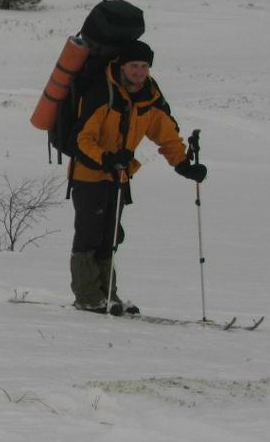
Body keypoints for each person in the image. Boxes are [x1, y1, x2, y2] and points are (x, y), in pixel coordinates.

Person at [68, 40, 208, 315]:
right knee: (90, 234)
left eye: (144, 67)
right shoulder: (103, 94)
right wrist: (106, 158)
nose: (140, 72)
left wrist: (182, 164)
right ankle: (87, 296)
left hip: (119, 176)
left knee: (110, 236)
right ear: (122, 66)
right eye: (134, 66)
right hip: (89, 174)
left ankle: (108, 294)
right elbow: (82, 139)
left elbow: (165, 133)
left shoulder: (148, 98)